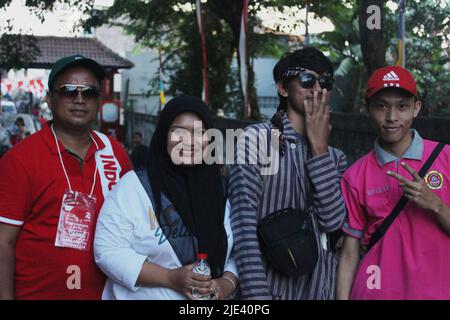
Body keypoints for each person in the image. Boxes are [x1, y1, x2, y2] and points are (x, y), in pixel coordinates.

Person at [0, 54, 132, 299]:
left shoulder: (115, 153)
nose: (80, 99)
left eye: (89, 92)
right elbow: (3, 243)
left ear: (98, 100)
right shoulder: (19, 160)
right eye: (69, 91)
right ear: (50, 99)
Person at [228, 47, 347, 300]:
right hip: (272, 291)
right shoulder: (258, 140)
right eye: (307, 80)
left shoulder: (335, 157)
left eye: (324, 82)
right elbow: (243, 226)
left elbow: (333, 221)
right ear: (283, 88)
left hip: (320, 291)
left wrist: (319, 149)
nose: (317, 88)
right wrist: (258, 299)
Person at [94, 95, 238, 300]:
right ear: (163, 135)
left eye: (200, 132)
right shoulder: (134, 187)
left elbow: (239, 249)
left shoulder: (222, 190)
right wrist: (170, 277)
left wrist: (227, 283)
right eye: (179, 131)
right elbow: (107, 251)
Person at [336, 66, 450, 300]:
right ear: (367, 109)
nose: (391, 117)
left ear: (416, 108)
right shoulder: (356, 175)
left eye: (402, 106)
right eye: (381, 106)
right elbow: (350, 253)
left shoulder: (446, 157)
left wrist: (437, 205)